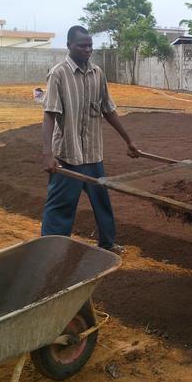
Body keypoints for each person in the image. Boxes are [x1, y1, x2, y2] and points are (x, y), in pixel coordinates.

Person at [41, 25, 139, 254]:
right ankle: (50, 249)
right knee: (61, 206)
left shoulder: (98, 73)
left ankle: (107, 243)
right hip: (68, 154)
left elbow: (108, 109)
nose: (87, 50)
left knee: (102, 201)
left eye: (90, 46)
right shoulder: (59, 74)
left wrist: (129, 140)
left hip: (93, 153)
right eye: (82, 46)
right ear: (69, 46)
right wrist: (47, 153)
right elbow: (49, 114)